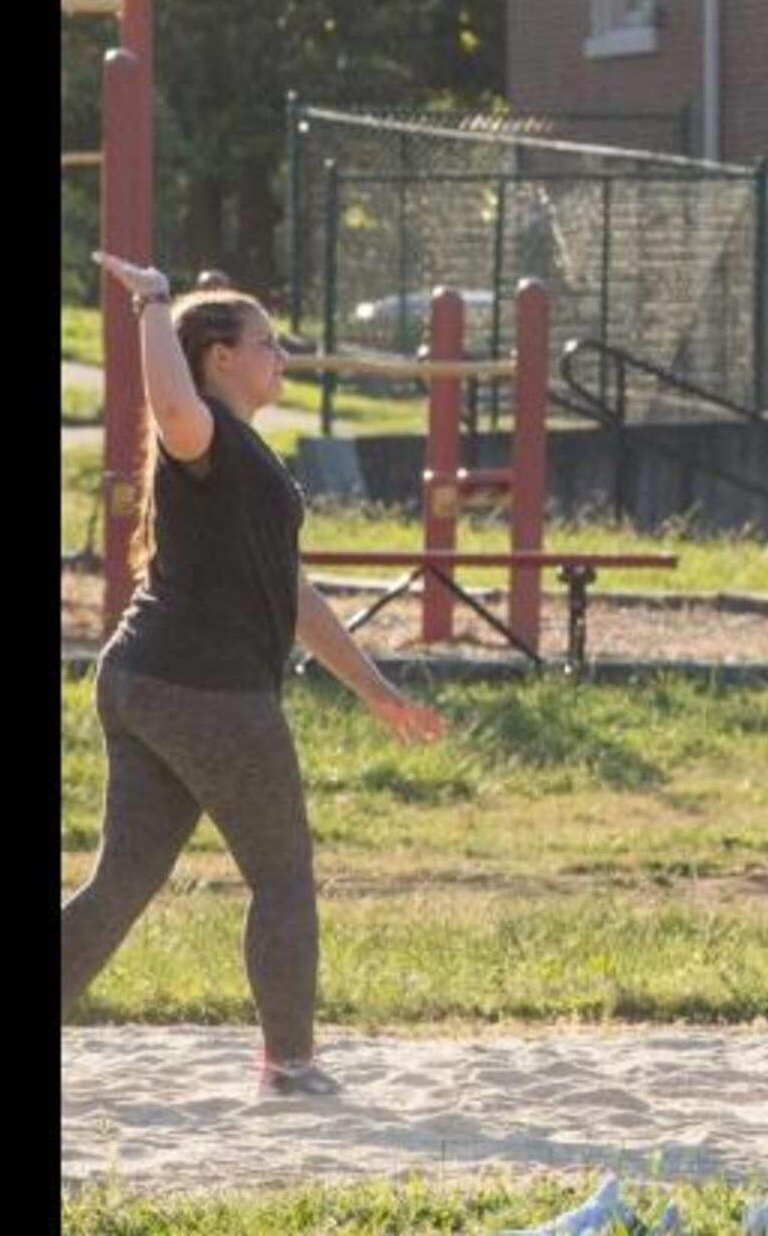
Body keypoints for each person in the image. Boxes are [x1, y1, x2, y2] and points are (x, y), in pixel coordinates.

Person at [63, 252, 448, 1097]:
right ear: (221, 357)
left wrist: (376, 691)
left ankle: (289, 1061)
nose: (281, 357)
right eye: (265, 343)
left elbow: (295, 595)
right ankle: (292, 1066)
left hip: (140, 681)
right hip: (205, 692)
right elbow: (166, 402)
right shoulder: (202, 432)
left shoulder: (243, 458)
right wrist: (155, 304)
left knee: (121, 882)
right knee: (282, 876)